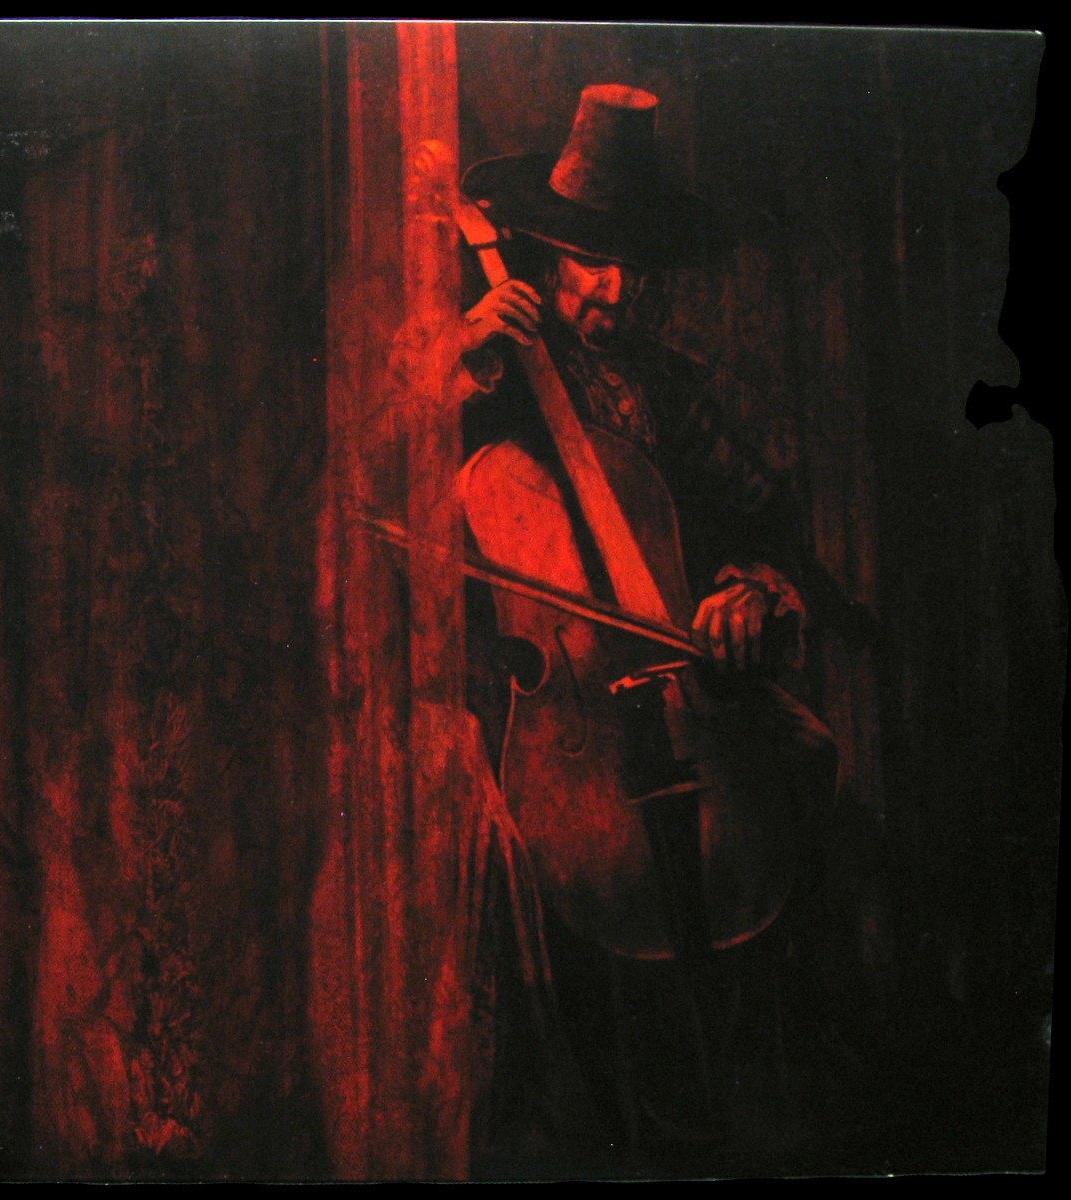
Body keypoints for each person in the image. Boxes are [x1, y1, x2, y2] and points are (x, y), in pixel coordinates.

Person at [444, 85, 838, 1174]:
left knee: (807, 757)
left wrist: (753, 589)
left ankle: (766, 1079)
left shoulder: (670, 391)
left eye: (634, 268)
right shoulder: (490, 370)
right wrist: (457, 362)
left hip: (679, 695)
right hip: (528, 712)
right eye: (588, 262)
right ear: (543, 255)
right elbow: (376, 460)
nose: (614, 290)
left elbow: (768, 520)